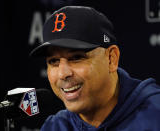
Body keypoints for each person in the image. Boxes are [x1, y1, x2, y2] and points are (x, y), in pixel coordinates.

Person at [30, 6, 160, 131]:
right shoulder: (56, 127)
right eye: (53, 61)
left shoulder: (155, 116)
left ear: (111, 59)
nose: (63, 74)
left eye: (76, 57)